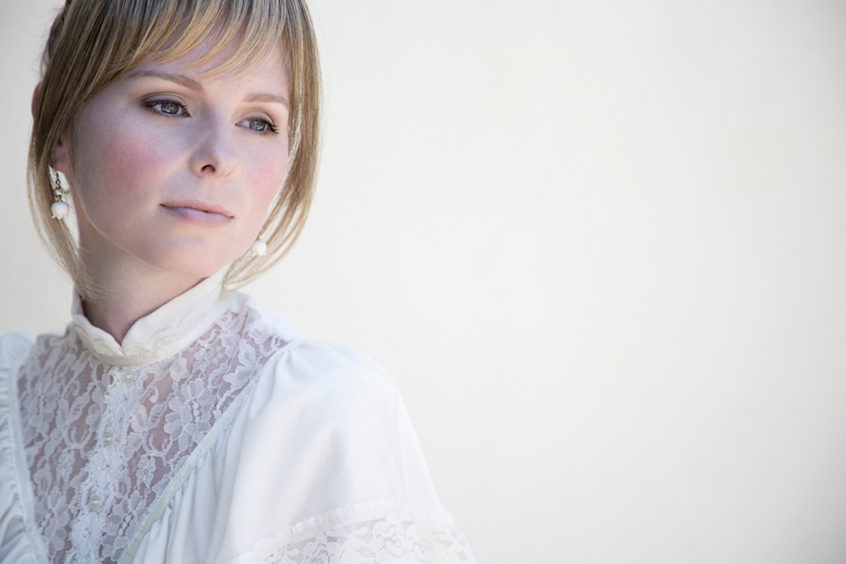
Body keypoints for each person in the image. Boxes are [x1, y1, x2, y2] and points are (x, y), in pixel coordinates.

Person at [0, 0, 477, 562]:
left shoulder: (323, 412)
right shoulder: (9, 397)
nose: (220, 157)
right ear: (57, 127)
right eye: (169, 105)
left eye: (259, 122)